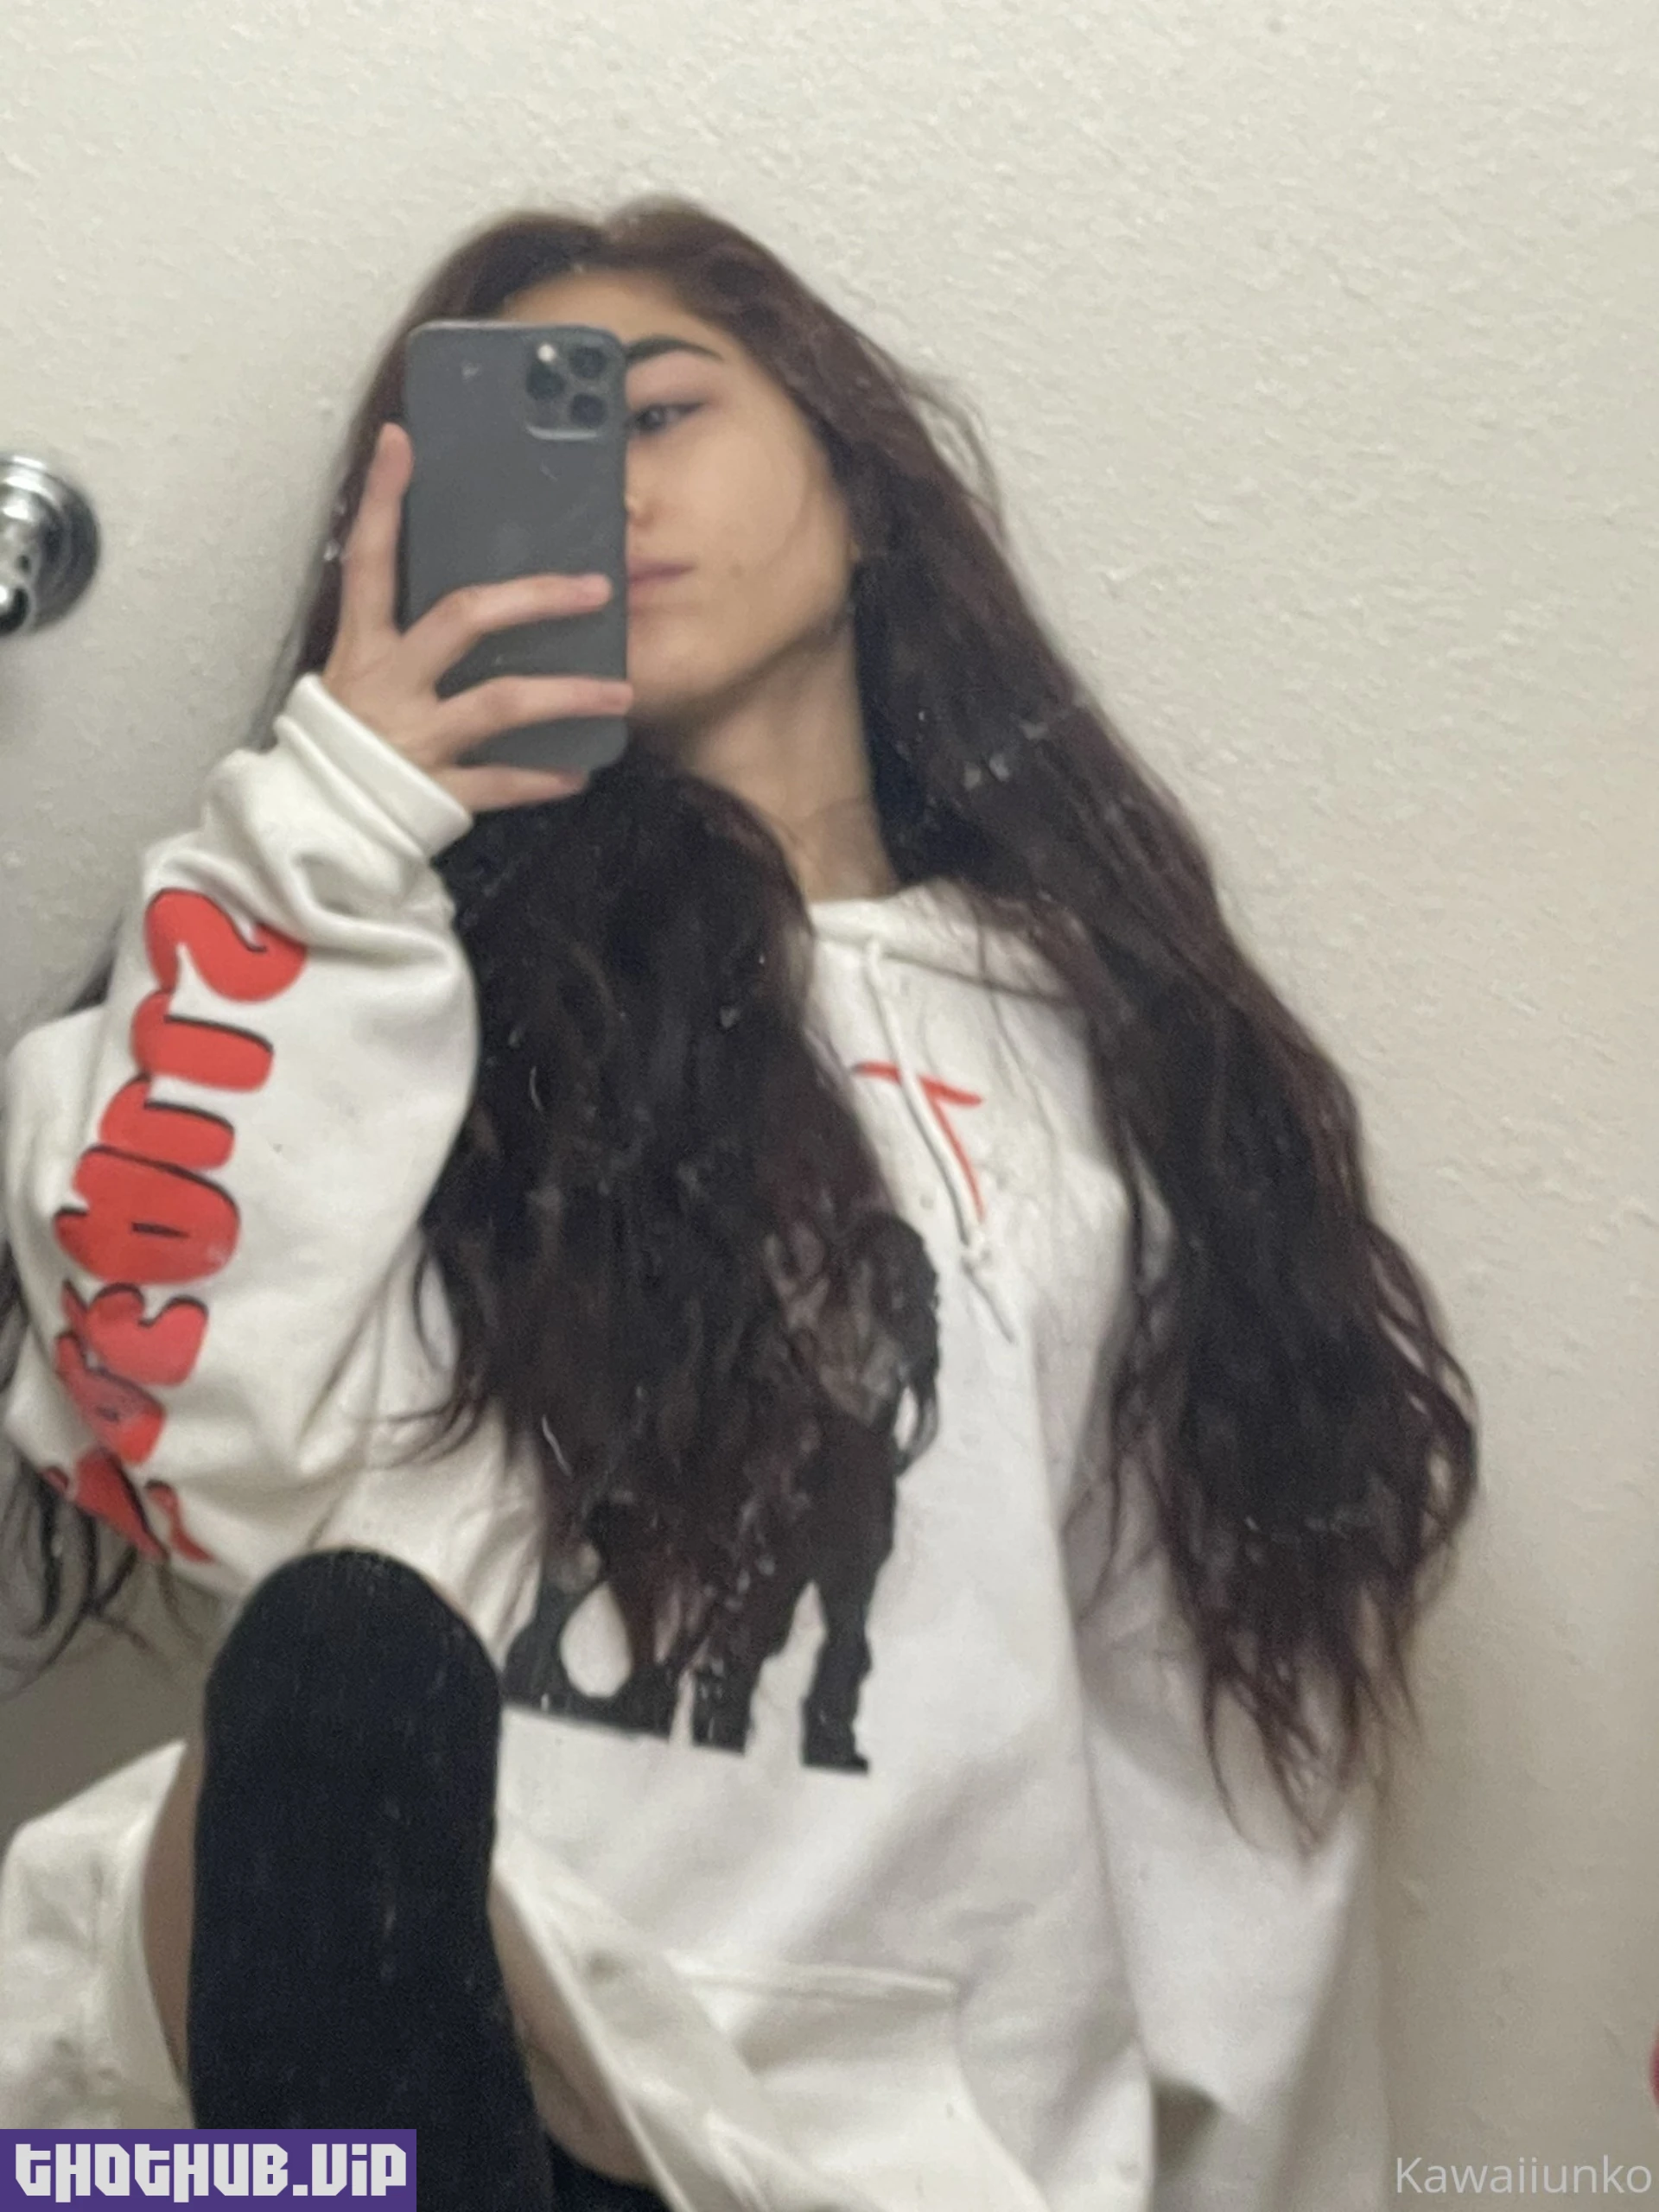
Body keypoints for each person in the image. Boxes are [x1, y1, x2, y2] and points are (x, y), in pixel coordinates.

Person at [0, 196, 1478, 2212]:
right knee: (339, 1680)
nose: (605, 487)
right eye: (533, 444)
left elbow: (1221, 1753)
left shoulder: (1114, 1066)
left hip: (869, 2148)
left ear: (857, 493)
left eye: (658, 410)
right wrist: (337, 817)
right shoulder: (385, 973)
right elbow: (178, 1424)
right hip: (335, 2066)